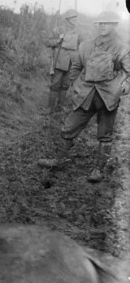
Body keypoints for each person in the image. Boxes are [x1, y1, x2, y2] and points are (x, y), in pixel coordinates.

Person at [38, 10, 130, 182]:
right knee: (69, 127)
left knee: (105, 134)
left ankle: (98, 170)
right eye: (100, 23)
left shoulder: (122, 48)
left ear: (114, 25)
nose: (102, 26)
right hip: (85, 95)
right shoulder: (86, 45)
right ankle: (58, 161)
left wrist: (125, 85)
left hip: (108, 97)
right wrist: (75, 85)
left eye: (107, 23)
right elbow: (76, 67)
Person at [43, 9, 84, 113]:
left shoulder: (78, 32)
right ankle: (50, 107)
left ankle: (60, 106)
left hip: (72, 61)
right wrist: (57, 41)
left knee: (65, 84)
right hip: (59, 60)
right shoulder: (58, 30)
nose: (75, 20)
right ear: (68, 18)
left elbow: (81, 45)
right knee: (55, 84)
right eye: (73, 17)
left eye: (76, 17)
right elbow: (47, 42)